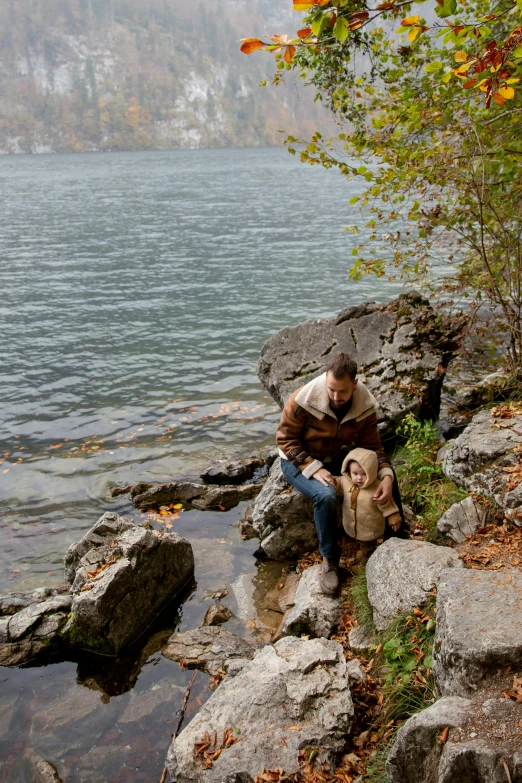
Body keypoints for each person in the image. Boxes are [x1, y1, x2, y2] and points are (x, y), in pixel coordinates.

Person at [276, 351, 400, 595]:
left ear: (354, 384)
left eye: (342, 391)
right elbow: (285, 440)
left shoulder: (364, 405)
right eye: (331, 389)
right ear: (325, 380)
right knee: (326, 495)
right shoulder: (303, 399)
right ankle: (330, 560)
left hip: (335, 457)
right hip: (296, 459)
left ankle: (395, 536)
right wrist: (312, 468)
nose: (336, 396)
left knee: (386, 474)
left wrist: (385, 477)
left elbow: (373, 449)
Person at [336, 447, 402, 566]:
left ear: (372, 472)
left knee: (368, 547)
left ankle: (369, 563)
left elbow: (386, 503)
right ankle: (363, 553)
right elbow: (338, 484)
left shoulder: (376, 487)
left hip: (369, 527)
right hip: (353, 525)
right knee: (359, 541)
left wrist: (393, 516)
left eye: (364, 474)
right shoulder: (346, 481)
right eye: (355, 473)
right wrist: (332, 482)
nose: (359, 478)